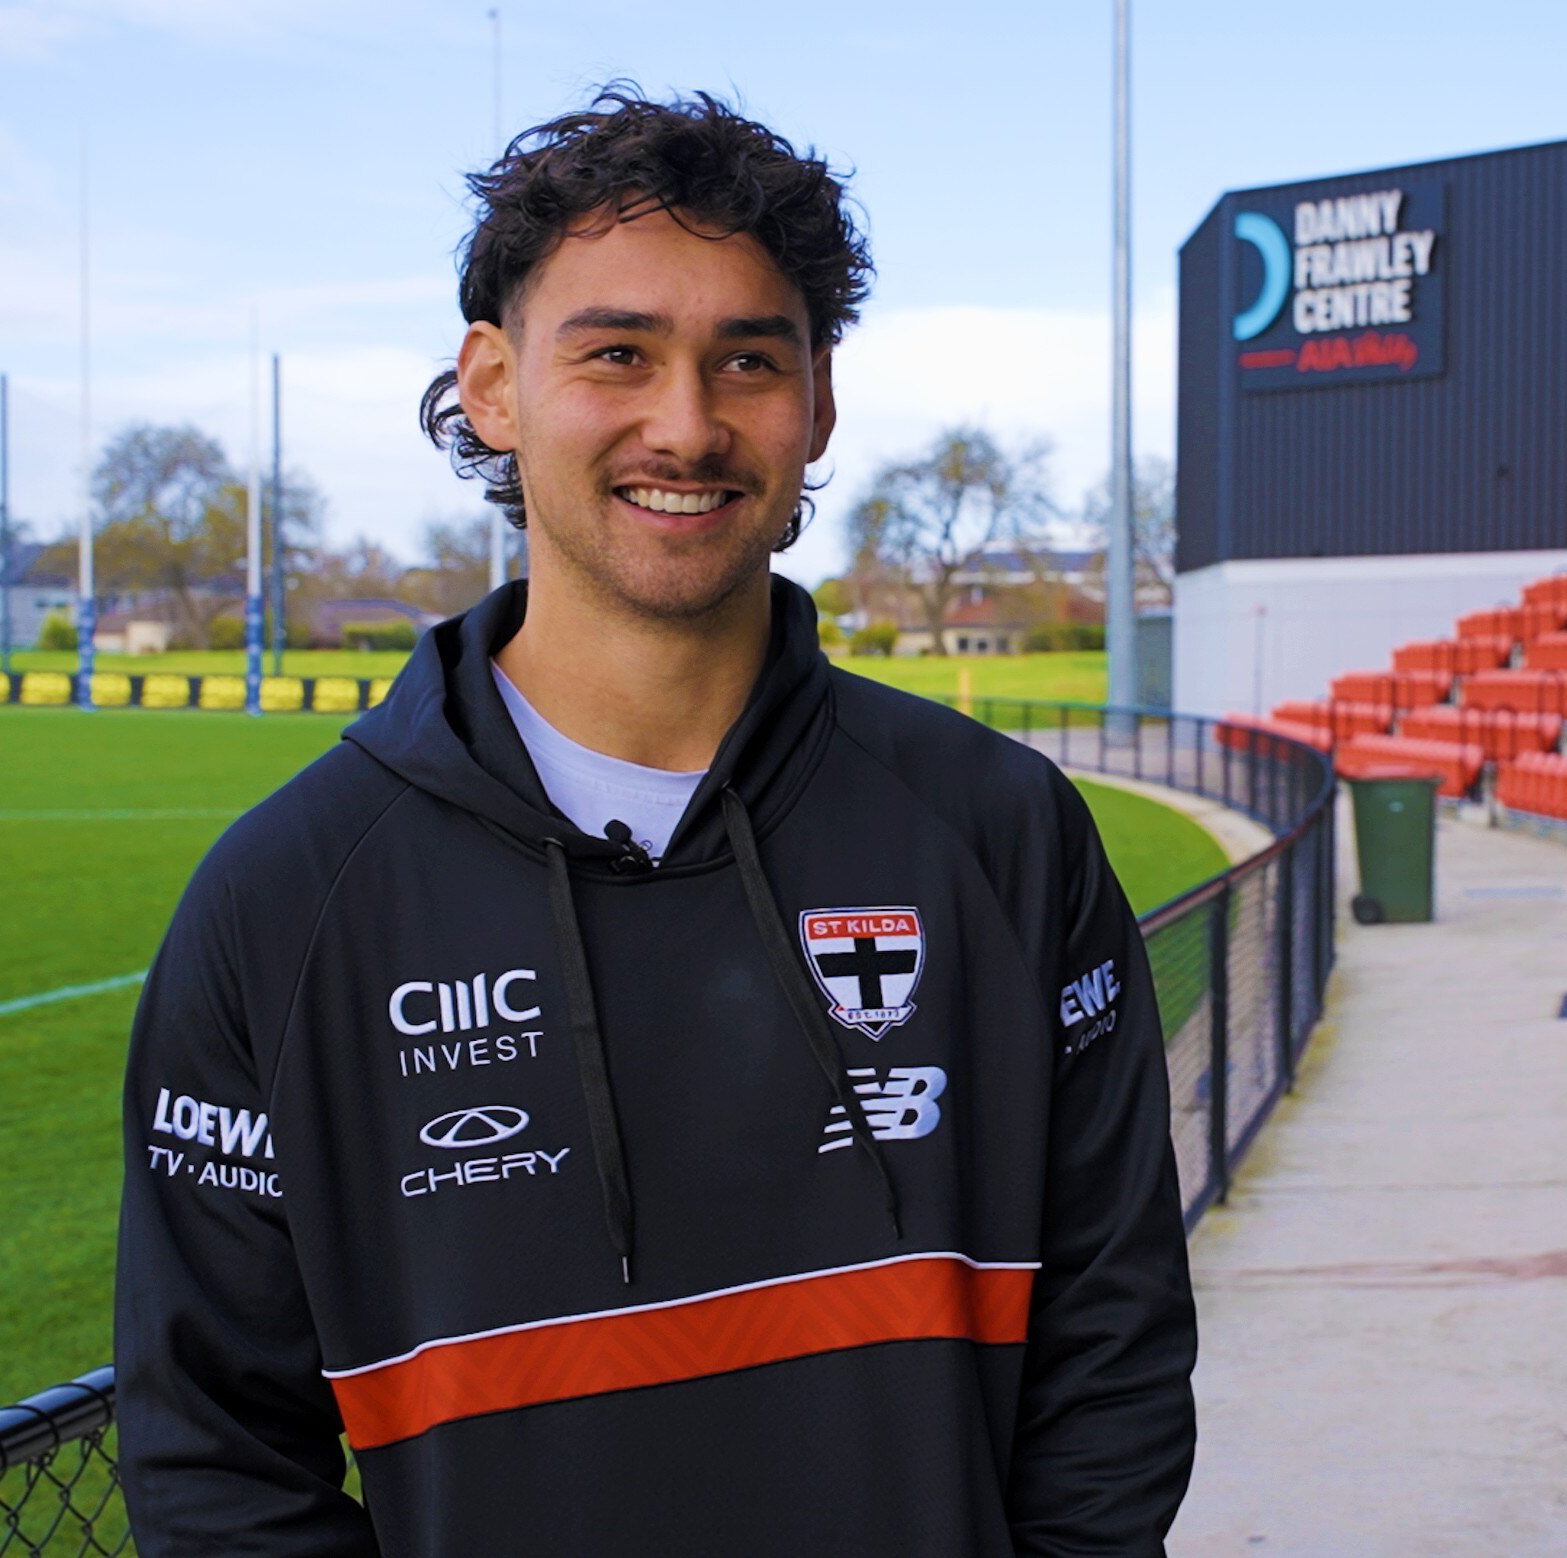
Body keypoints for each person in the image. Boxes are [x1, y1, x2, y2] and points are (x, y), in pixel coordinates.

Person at [113, 87, 1198, 1555]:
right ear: (494, 386)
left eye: (747, 359)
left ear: (818, 401)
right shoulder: (285, 899)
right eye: (617, 352)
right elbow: (216, 1457)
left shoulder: (1001, 834)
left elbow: (1114, 1343)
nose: (687, 427)